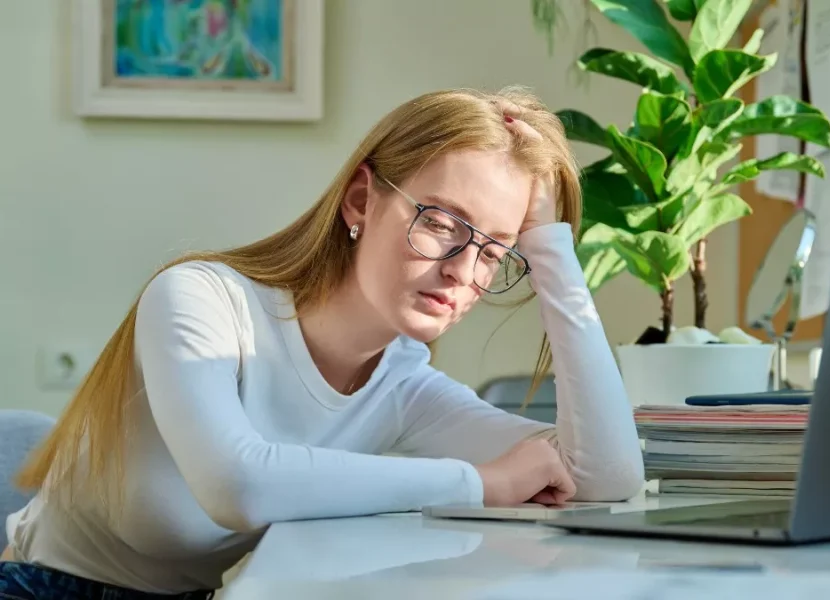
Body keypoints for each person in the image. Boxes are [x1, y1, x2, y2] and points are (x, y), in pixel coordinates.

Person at [0, 86, 643, 599]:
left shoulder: (402, 386)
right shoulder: (202, 299)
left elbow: (604, 480)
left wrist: (551, 245)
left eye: (494, 250)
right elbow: (239, 486)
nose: (461, 270)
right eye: (443, 223)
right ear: (361, 200)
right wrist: (481, 484)